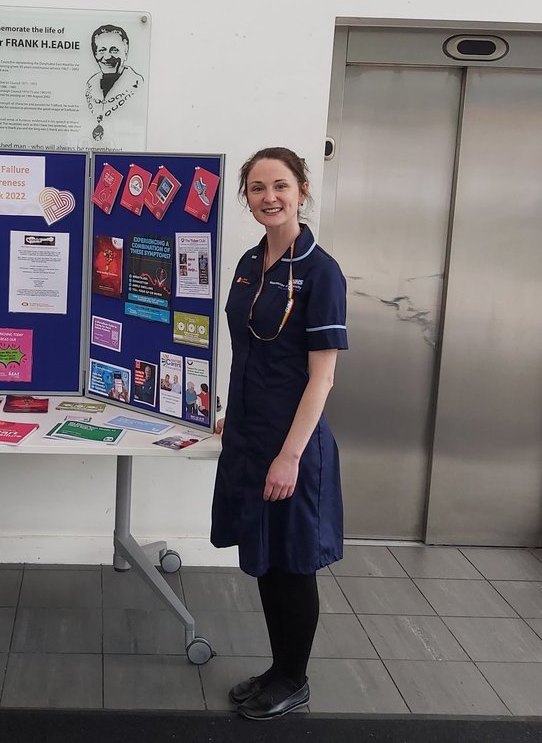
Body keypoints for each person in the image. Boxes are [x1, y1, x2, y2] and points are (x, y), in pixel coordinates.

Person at [211, 146, 348, 721]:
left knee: (292, 563)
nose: (270, 197)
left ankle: (295, 678)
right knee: (265, 556)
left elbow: (322, 378)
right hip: (249, 434)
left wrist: (290, 456)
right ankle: (278, 667)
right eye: (258, 187)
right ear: (246, 196)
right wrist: (232, 410)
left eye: (281, 186)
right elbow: (248, 349)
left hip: (292, 443)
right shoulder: (248, 262)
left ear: (302, 191)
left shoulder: (321, 271)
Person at [84, 24, 145, 143]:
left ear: (125, 52)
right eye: (102, 50)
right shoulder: (89, 87)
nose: (107, 57)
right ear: (95, 54)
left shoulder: (138, 86)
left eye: (114, 50)